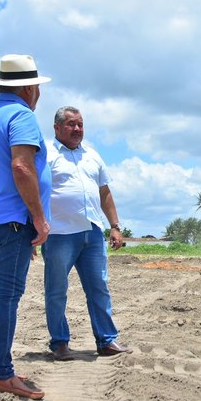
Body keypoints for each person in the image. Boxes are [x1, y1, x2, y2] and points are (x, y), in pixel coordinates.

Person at [0, 54, 51, 400]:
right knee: (5, 296)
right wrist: (37, 217)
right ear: (29, 87)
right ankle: (0, 373)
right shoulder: (22, 116)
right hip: (14, 222)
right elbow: (21, 167)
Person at [42, 106, 132, 361]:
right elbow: (34, 192)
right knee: (56, 289)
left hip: (92, 233)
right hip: (59, 233)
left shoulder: (92, 155)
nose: (77, 129)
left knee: (98, 288)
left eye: (80, 124)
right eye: (71, 124)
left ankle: (106, 341)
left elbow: (104, 193)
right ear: (57, 128)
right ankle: (59, 343)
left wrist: (114, 226)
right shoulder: (45, 155)